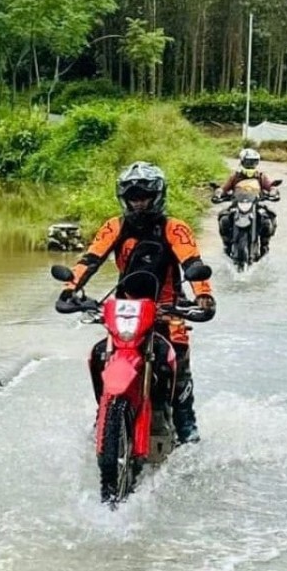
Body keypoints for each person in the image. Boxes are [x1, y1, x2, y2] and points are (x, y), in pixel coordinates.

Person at [59, 162, 215, 444]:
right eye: (133, 197)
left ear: (157, 196)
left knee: (175, 366)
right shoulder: (114, 226)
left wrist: (203, 295)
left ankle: (187, 432)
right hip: (126, 311)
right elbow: (90, 260)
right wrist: (70, 289)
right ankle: (106, 413)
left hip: (167, 310)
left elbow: (192, 262)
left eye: (144, 196)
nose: (138, 202)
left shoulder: (174, 228)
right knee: (100, 356)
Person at [215, 147, 278, 253]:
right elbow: (224, 188)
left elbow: (270, 186)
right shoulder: (235, 175)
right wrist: (218, 193)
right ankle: (227, 244)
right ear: (242, 161)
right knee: (224, 218)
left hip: (256, 203)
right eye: (248, 161)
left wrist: (273, 192)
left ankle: (265, 244)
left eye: (253, 162)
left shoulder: (260, 176)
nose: (251, 164)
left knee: (269, 218)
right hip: (237, 203)